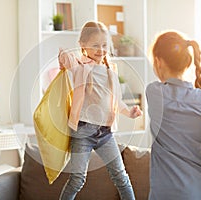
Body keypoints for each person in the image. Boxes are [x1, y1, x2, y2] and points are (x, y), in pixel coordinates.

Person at [58, 21, 142, 200]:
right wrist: (64, 56)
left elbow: (116, 102)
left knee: (121, 177)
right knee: (77, 179)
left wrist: (130, 112)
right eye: (95, 45)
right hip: (82, 132)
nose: (100, 49)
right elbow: (68, 61)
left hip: (105, 133)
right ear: (82, 45)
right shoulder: (81, 67)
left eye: (104, 45)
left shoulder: (111, 71)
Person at [146, 30, 201, 200]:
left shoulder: (154, 92)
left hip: (166, 194)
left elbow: (174, 89)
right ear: (187, 63)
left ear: (158, 61)